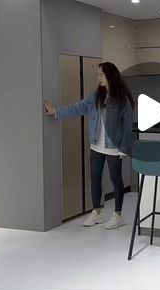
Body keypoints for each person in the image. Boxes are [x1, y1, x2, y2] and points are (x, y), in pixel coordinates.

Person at [44, 62, 134, 230]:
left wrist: (124, 148)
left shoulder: (122, 99)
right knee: (95, 179)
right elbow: (78, 107)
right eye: (98, 74)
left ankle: (118, 215)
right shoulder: (96, 95)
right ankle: (97, 212)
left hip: (114, 146)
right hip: (96, 145)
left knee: (116, 180)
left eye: (101, 74)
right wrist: (56, 111)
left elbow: (127, 124)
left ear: (110, 76)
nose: (98, 77)